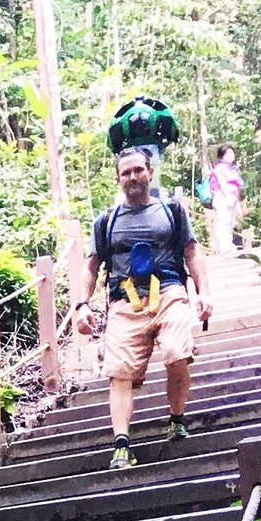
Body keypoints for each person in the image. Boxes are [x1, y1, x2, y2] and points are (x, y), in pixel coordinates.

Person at [78, 146, 212, 469]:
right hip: (125, 301)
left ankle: (176, 419)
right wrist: (82, 305)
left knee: (178, 352)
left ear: (150, 172)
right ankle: (121, 446)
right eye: (126, 172)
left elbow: (192, 253)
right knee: (119, 373)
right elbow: (92, 265)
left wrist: (203, 291)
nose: (133, 177)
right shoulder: (106, 221)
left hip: (168, 292)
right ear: (118, 178)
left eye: (139, 170)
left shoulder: (172, 210)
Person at [208, 143, 246, 254]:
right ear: (222, 156)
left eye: (232, 153)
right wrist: (227, 196)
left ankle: (228, 244)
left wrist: (237, 203)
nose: (231, 155)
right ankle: (224, 246)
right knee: (223, 220)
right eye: (227, 153)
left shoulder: (231, 169)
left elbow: (236, 188)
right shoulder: (220, 168)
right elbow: (221, 182)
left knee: (230, 221)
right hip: (222, 196)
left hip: (232, 197)